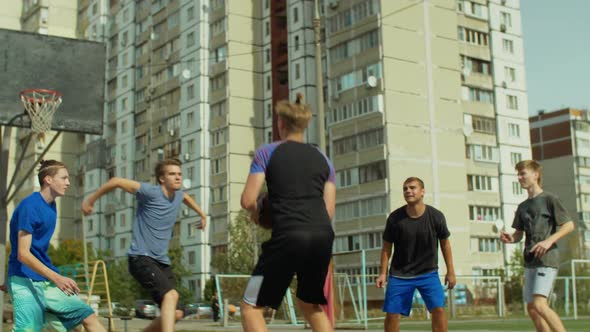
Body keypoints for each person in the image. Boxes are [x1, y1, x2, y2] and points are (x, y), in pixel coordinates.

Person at [240, 93, 336, 332]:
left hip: (288, 237)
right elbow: (329, 210)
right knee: (310, 304)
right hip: (322, 237)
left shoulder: (267, 152)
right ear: (304, 126)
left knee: (250, 306)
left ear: (280, 124)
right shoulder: (324, 159)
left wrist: (257, 214)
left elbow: (248, 199)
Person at [82, 158, 207, 332]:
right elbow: (116, 181)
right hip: (140, 258)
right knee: (171, 295)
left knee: (176, 312)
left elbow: (186, 198)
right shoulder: (149, 192)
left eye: (179, 174)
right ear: (162, 179)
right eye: (172, 174)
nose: (178, 177)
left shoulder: (178, 194)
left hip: (161, 261)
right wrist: (90, 201)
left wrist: (202, 214)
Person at [1, 160, 106, 331]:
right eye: (64, 178)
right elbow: (23, 254)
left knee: (88, 316)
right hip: (25, 279)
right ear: (48, 179)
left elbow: (36, 249)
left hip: (44, 280)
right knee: (28, 329)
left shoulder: (51, 206)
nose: (68, 183)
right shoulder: (30, 206)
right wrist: (55, 278)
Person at [500, 160, 574, 332]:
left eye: (522, 173)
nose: (519, 177)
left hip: (547, 259)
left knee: (540, 305)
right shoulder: (522, 206)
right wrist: (510, 238)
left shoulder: (550, 199)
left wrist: (548, 241)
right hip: (530, 261)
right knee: (532, 308)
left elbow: (569, 225)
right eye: (517, 174)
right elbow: (518, 234)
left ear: (536, 174)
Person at [376, 177, 455, 332]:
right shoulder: (394, 218)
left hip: (428, 273)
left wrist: (450, 271)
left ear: (422, 191)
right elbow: (386, 247)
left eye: (412, 188)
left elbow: (445, 244)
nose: (408, 191)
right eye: (405, 188)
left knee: (438, 309)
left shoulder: (436, 216)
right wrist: (382, 273)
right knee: (392, 314)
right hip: (400, 275)